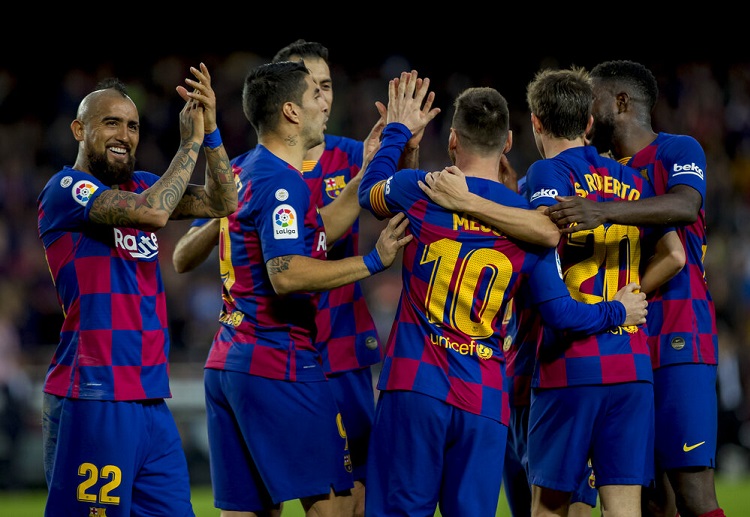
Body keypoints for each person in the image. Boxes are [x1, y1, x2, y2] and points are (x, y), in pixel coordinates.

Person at [358, 70, 651, 517]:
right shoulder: (527, 220)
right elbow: (562, 312)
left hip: (414, 384)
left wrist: (399, 133)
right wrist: (617, 310)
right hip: (483, 394)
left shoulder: (420, 190)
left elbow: (369, 191)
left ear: (452, 140)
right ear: (509, 142)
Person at [172, 41, 393, 516]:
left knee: (247, 509)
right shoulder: (282, 182)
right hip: (279, 358)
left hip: (228, 359)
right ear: (291, 111)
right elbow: (287, 274)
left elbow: (318, 231)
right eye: (315, 94)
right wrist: (373, 261)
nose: (324, 104)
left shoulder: (246, 173)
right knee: (334, 505)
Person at [36, 64, 238, 516]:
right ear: (79, 130)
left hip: (149, 397)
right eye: (111, 122)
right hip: (94, 391)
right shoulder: (66, 189)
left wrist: (209, 131)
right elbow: (152, 214)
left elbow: (224, 202)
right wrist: (188, 144)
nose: (124, 135)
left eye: (132, 126)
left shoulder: (144, 184)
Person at [545, 59, 725, 517]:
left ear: (621, 102)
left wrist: (603, 211)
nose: (586, 111)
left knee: (694, 494)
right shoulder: (602, 172)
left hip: (680, 335)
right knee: (648, 499)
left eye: (594, 99)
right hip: (626, 344)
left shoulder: (677, 149)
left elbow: (685, 206)